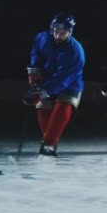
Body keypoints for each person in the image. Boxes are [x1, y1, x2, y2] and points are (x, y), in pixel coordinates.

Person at [23, 12, 86, 157]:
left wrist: (41, 92)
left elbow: (64, 79)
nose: (58, 36)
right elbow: (36, 54)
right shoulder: (41, 38)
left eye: (62, 33)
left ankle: (49, 144)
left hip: (70, 84)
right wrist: (34, 72)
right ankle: (49, 141)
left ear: (69, 32)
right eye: (56, 32)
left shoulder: (76, 52)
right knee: (43, 109)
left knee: (62, 108)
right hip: (46, 79)